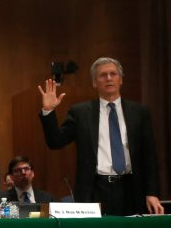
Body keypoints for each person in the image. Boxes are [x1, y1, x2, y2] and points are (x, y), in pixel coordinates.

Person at [39, 57, 164, 215]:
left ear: (121, 80)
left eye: (113, 74)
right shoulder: (81, 113)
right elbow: (55, 142)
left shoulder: (139, 113)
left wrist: (152, 192)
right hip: (95, 190)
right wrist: (48, 111)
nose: (109, 78)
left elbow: (150, 157)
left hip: (132, 189)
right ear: (94, 83)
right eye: (103, 75)